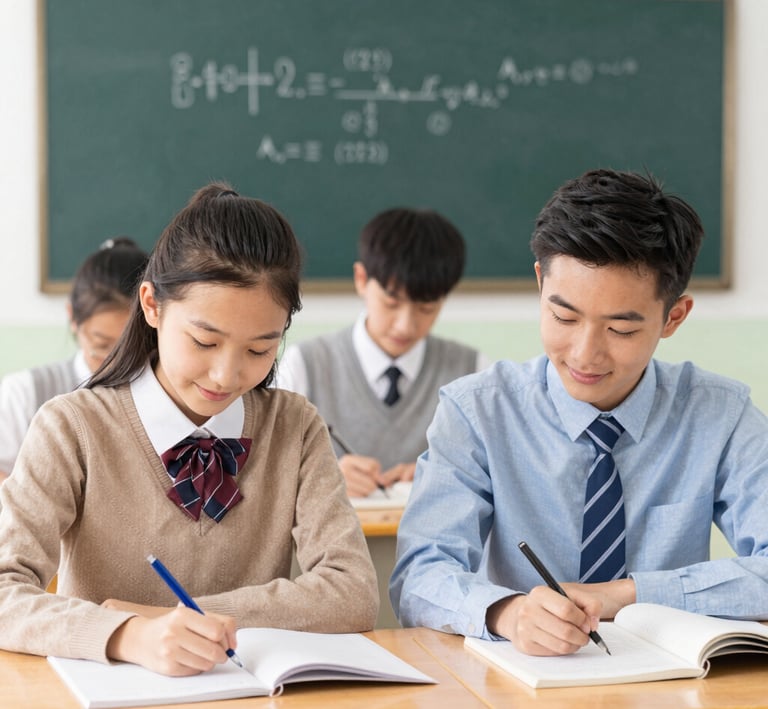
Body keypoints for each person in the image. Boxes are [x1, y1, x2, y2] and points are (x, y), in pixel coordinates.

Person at [0, 183, 378, 676]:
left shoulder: (295, 427)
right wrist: (129, 634)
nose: (226, 376)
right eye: (204, 341)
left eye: (260, 350)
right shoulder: (72, 426)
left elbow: (353, 592)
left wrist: (180, 619)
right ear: (152, 306)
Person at [389, 168, 768, 657]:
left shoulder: (723, 415)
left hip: (672, 686)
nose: (585, 354)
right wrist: (507, 613)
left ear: (673, 317)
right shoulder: (478, 412)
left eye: (621, 330)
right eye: (563, 317)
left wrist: (626, 595)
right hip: (523, 681)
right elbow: (420, 575)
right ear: (540, 283)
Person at [276, 207, 490, 497]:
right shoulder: (304, 365)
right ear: (362, 279)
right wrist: (321, 477)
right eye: (392, 302)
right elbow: (266, 475)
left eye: (426, 308)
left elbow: (500, 478)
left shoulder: (474, 371)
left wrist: (452, 475)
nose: (405, 326)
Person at [0, 237, 148, 482]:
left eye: (131, 348)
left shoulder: (164, 394)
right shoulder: (25, 392)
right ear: (72, 317)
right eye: (101, 346)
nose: (116, 364)